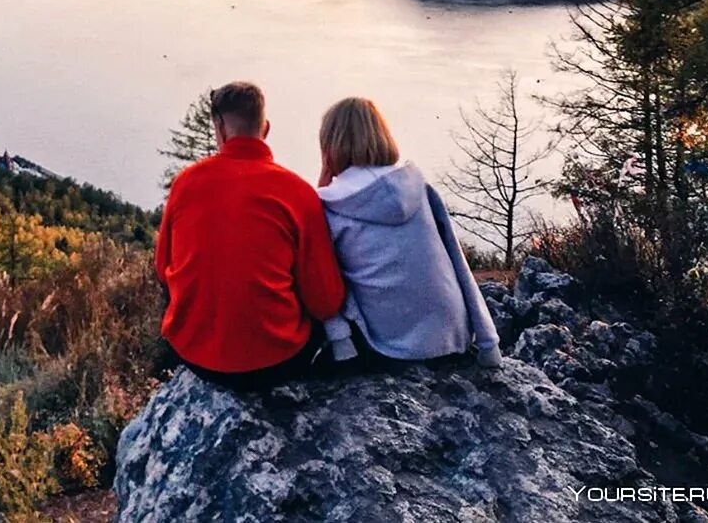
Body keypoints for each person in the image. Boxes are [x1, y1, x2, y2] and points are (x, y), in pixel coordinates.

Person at [155, 81, 346, 390]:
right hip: (277, 360)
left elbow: (162, 270)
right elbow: (326, 302)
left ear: (219, 127)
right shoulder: (297, 192)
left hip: (193, 355)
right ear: (266, 128)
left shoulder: (185, 183)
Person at [316, 97, 503, 371]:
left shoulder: (330, 204)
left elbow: (321, 282)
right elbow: (458, 263)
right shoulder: (420, 187)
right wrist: (489, 343)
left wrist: (319, 192)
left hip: (390, 347)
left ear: (330, 145)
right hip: (452, 337)